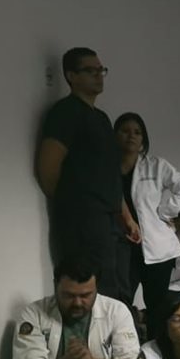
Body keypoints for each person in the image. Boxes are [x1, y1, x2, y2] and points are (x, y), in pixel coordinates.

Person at [36, 47, 132, 298]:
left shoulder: (101, 118)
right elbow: (48, 169)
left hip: (108, 218)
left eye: (101, 70)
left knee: (114, 287)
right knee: (88, 287)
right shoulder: (65, 112)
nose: (98, 75)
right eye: (90, 70)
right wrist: (74, 205)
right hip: (82, 220)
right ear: (71, 75)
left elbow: (109, 174)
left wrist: (127, 217)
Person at [112, 113, 180, 332]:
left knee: (157, 307)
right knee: (120, 302)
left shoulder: (156, 165)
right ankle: (127, 350)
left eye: (137, 132)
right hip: (121, 246)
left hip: (155, 249)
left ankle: (157, 353)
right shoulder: (106, 167)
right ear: (115, 135)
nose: (131, 136)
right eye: (125, 131)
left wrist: (166, 211)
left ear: (143, 140)